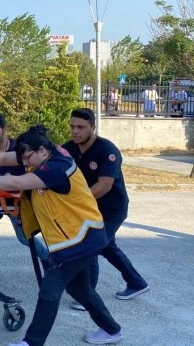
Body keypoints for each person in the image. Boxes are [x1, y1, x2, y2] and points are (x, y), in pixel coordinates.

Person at [0, 125, 123, 346]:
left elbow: (17, 182)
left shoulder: (55, 168)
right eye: (23, 159)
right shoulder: (44, 153)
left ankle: (32, 342)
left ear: (42, 150)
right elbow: (4, 158)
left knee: (49, 290)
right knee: (79, 289)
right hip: (81, 235)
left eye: (27, 158)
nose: (25, 164)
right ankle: (111, 330)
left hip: (80, 238)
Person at [62, 108, 149, 311]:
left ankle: (87, 296)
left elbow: (104, 186)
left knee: (92, 245)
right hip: (89, 208)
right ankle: (137, 282)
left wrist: (75, 203)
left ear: (93, 128)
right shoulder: (69, 149)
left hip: (112, 209)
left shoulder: (107, 150)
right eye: (72, 126)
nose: (75, 131)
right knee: (107, 246)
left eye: (81, 127)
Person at [0, 114, 50, 278]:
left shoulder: (19, 147)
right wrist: (5, 180)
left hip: (17, 200)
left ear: (5, 130)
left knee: (24, 237)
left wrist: (10, 180)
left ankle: (47, 258)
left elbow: (30, 171)